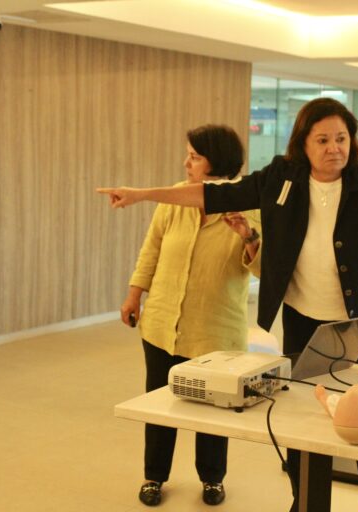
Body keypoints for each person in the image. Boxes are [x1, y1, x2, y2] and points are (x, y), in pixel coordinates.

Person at [98, 97, 358, 511]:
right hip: (303, 322)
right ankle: (305, 502)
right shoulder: (282, 178)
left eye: (341, 138)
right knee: (305, 422)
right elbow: (214, 194)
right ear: (303, 143)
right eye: (322, 140)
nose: (334, 148)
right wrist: (139, 195)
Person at [108, 125, 261, 507]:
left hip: (216, 333)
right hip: (162, 324)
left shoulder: (249, 205)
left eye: (194, 156)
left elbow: (262, 269)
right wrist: (134, 295)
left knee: (213, 411)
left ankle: (212, 478)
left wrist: (248, 236)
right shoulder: (174, 199)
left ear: (216, 162)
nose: (186, 163)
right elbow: (151, 250)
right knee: (160, 406)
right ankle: (154, 476)